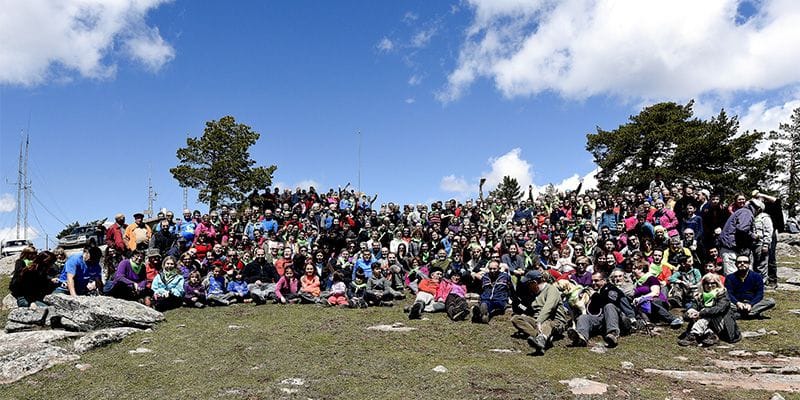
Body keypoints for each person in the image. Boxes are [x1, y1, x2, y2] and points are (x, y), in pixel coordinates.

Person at [568, 271, 637, 348]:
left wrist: (632, 320)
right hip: (601, 320)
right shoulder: (592, 291)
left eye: (596, 281)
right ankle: (581, 337)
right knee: (583, 317)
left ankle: (613, 334)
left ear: (604, 280)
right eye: (592, 281)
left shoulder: (612, 290)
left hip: (617, 319)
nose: (593, 283)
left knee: (609, 306)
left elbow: (622, 305)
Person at [511, 270, 570, 355]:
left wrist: (539, 321)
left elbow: (549, 307)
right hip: (538, 321)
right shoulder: (534, 293)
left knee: (547, 323)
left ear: (534, 282)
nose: (527, 286)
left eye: (528, 284)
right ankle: (541, 337)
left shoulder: (552, 290)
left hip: (554, 321)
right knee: (516, 318)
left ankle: (542, 340)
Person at [678, 273, 741, 346]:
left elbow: (719, 309)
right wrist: (690, 312)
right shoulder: (700, 296)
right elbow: (692, 308)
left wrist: (701, 313)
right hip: (707, 325)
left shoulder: (723, 295)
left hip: (722, 326)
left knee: (706, 312)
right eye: (707, 283)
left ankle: (693, 335)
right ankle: (710, 335)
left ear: (717, 283)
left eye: (712, 283)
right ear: (703, 284)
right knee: (698, 313)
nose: (710, 285)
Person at [725, 254, 775, 319]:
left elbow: (759, 294)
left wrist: (751, 304)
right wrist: (737, 303)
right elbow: (729, 293)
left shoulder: (757, 276)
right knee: (724, 303)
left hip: (752, 303)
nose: (742, 264)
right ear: (735, 264)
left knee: (771, 301)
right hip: (736, 303)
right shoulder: (730, 277)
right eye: (739, 262)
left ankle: (741, 314)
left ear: (749, 264)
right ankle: (751, 313)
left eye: (745, 262)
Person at [719, 199, 762, 275]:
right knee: (735, 277)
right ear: (758, 209)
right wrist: (753, 236)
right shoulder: (746, 213)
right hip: (732, 250)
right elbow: (742, 229)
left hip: (730, 249)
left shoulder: (741, 211)